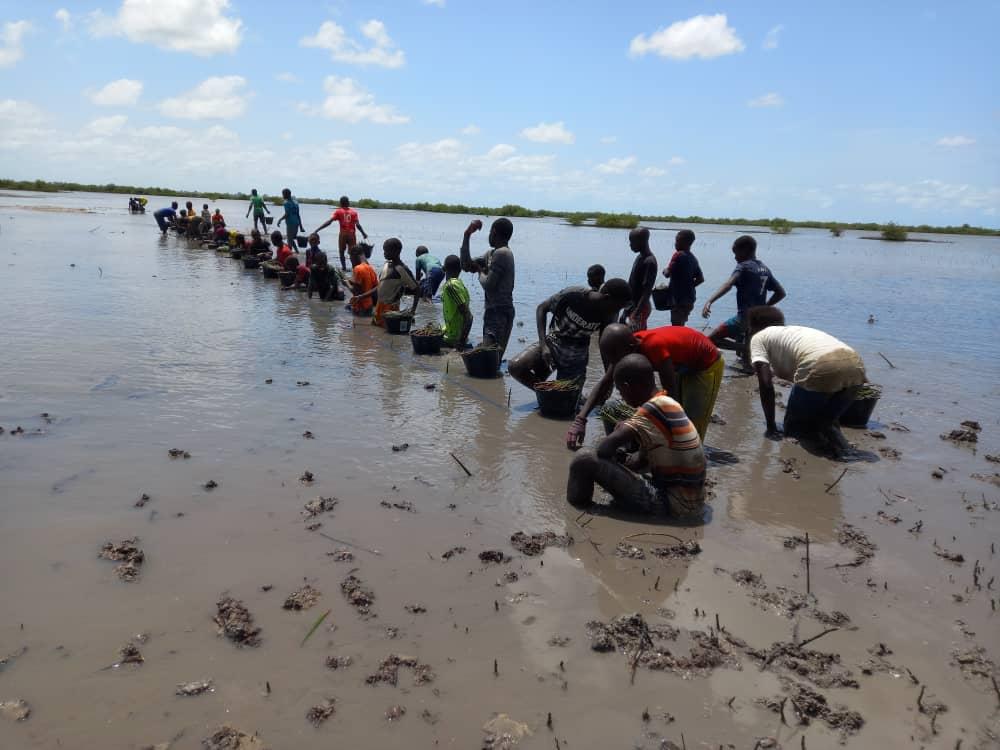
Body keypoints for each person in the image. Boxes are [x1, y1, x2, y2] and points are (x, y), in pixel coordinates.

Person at [566, 354, 706, 519]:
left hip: (671, 506)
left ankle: (577, 511)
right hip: (692, 503)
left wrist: (623, 430)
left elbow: (603, 450)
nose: (623, 398)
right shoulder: (669, 403)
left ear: (627, 387)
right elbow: (639, 461)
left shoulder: (648, 412)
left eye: (620, 391)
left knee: (583, 459)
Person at [567, 323, 723, 446]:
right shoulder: (623, 348)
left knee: (692, 422)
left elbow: (670, 399)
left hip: (706, 363)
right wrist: (580, 419)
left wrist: (638, 423)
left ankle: (695, 467)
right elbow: (605, 382)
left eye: (615, 358)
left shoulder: (654, 348)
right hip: (681, 362)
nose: (615, 363)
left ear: (631, 348)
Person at [747, 306, 866, 457]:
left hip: (821, 365)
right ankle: (845, 452)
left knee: (793, 429)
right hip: (855, 364)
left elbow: (765, 383)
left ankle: (808, 462)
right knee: (826, 422)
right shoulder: (796, 331)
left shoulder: (759, 337)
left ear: (754, 326)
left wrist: (771, 426)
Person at [509, 279, 632, 389]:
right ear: (606, 298)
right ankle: (546, 393)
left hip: (576, 356)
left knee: (567, 397)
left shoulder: (609, 315)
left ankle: (553, 395)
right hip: (554, 343)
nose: (617, 311)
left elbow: (603, 344)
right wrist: (543, 346)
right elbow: (542, 308)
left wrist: (608, 378)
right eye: (617, 307)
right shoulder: (574, 295)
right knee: (515, 367)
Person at [701, 235, 785, 363]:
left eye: (736, 253)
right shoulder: (764, 269)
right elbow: (781, 293)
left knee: (710, 339)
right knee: (743, 353)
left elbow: (728, 284)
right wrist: (765, 308)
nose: (735, 257)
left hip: (743, 318)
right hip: (758, 320)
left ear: (745, 250)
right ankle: (747, 358)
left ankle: (746, 348)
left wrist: (709, 301)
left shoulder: (744, 266)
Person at [459, 218, 515, 358]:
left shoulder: (502, 253)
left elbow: (489, 285)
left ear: (494, 232)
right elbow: (465, 265)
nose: (489, 235)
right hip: (493, 311)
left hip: (500, 313)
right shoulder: (491, 254)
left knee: (489, 359)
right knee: (489, 359)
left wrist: (479, 271)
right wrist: (467, 235)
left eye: (490, 231)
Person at [351, 238, 419, 326]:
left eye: (387, 251)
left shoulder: (402, 269)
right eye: (384, 250)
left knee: (387, 334)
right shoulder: (386, 265)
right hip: (379, 307)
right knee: (376, 334)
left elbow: (417, 290)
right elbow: (380, 286)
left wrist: (412, 311)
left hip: (391, 311)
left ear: (396, 251)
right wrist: (361, 296)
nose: (384, 253)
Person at [313, 196, 368, 271]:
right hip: (351, 234)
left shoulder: (339, 211)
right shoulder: (354, 212)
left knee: (341, 251)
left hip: (343, 234)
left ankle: (344, 268)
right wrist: (363, 233)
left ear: (341, 203)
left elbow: (329, 222)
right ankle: (354, 268)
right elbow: (358, 225)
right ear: (348, 203)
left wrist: (317, 229)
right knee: (353, 252)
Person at [661, 229, 704, 326]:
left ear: (684, 242)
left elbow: (667, 273)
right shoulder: (693, 258)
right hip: (690, 299)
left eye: (677, 241)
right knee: (681, 324)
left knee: (676, 326)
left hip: (678, 300)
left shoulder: (678, 255)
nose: (675, 244)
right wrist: (688, 286)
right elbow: (700, 279)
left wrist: (664, 270)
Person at [620, 227, 658, 332]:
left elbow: (647, 291)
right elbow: (632, 283)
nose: (630, 245)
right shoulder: (640, 257)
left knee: (638, 337)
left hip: (640, 307)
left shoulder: (649, 262)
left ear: (641, 241)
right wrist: (625, 309)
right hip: (631, 305)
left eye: (632, 242)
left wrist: (635, 313)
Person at [441, 254, 473, 349]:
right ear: (460, 270)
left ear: (444, 268)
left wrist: (461, 343)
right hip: (452, 333)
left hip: (453, 339)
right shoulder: (459, 284)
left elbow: (469, 317)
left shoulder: (451, 287)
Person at [347, 245, 378, 317]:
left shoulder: (358, 269)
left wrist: (346, 284)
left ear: (355, 256)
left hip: (360, 307)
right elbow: (375, 288)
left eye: (350, 258)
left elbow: (355, 292)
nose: (351, 260)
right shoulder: (370, 268)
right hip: (369, 306)